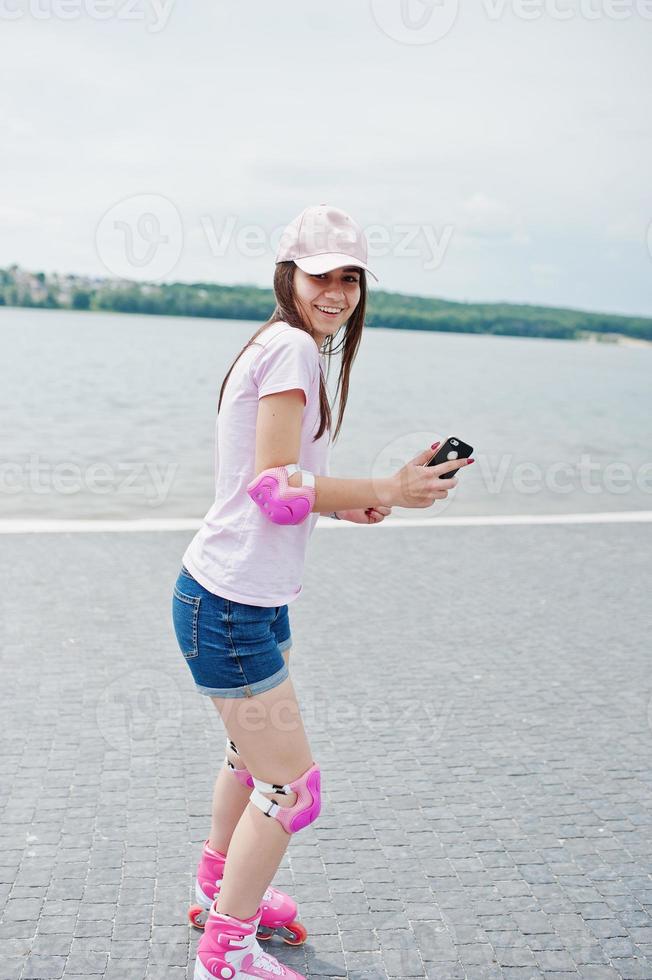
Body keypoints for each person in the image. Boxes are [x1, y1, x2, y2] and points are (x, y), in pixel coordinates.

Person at [171, 203, 473, 980]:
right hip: (231, 607)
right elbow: (274, 489)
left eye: (350, 277)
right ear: (288, 275)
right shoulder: (294, 351)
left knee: (248, 761)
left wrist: (350, 499)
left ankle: (217, 890)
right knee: (292, 790)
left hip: (240, 598)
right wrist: (388, 486)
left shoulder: (281, 345)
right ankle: (226, 953)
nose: (337, 291)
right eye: (321, 275)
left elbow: (276, 486)